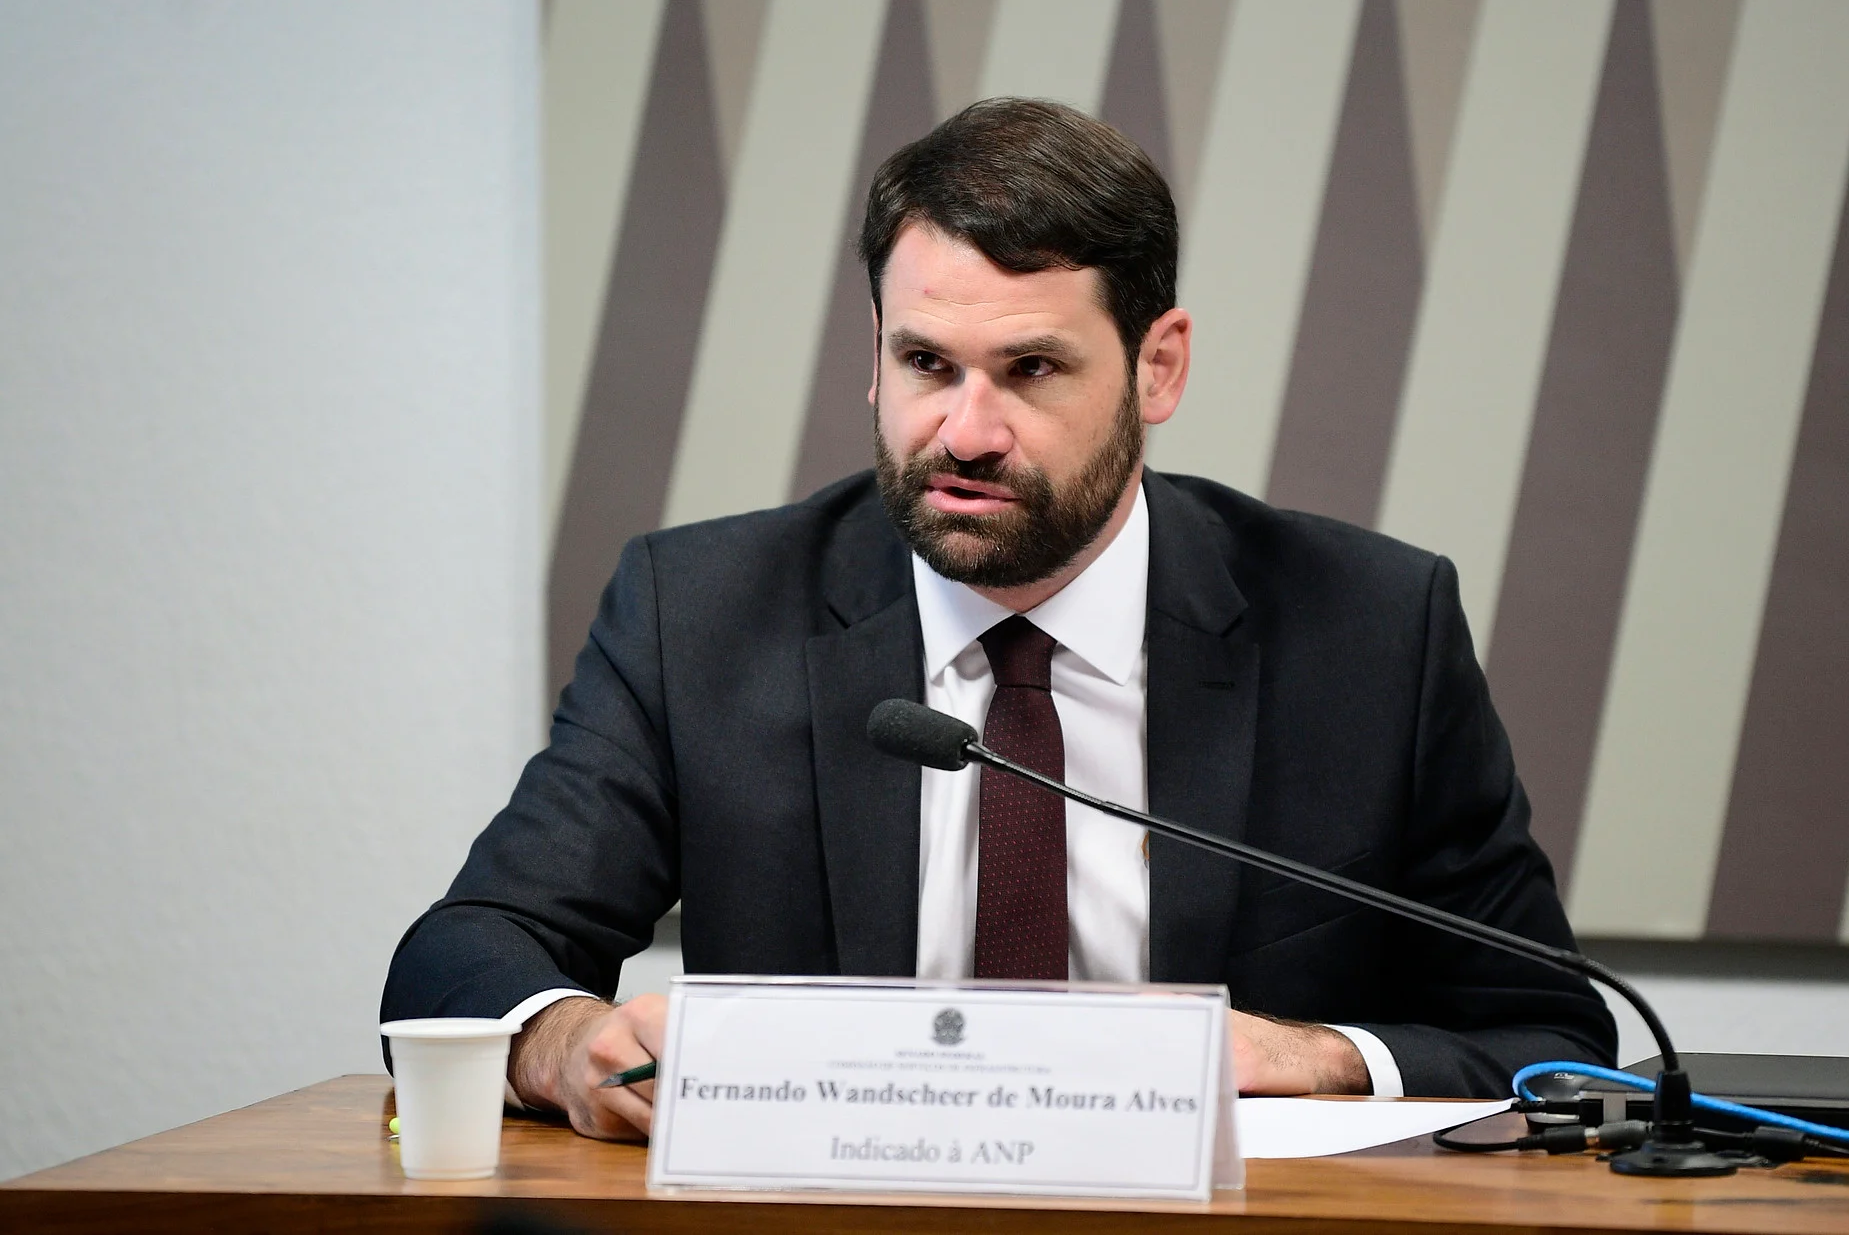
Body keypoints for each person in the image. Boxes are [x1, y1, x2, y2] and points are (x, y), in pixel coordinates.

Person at [382, 98, 1616, 1140]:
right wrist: (560, 1040)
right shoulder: (698, 614)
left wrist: (1314, 1057)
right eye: (925, 364)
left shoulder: (1367, 630)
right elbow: (467, 950)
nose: (965, 432)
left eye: (1030, 369)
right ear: (874, 356)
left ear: (1157, 367)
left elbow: (1551, 1035)